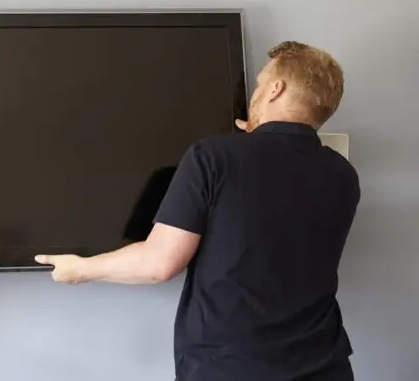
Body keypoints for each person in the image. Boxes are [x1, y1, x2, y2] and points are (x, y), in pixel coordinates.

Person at [35, 41, 359, 381]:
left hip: (231, 368)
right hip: (325, 365)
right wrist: (254, 143)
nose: (256, 92)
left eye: (261, 83)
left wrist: (80, 269)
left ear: (276, 89)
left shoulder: (214, 156)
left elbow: (158, 264)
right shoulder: (342, 174)